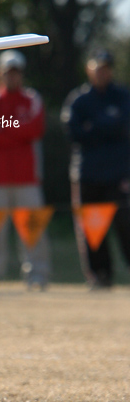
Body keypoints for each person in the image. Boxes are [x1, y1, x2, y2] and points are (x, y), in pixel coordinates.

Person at [0, 49, 50, 288]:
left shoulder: (33, 99)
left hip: (27, 176)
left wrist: (7, 132)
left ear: (22, 74)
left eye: (16, 72)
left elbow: (35, 129)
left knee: (32, 229)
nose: (12, 77)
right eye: (8, 72)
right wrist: (19, 134)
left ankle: (37, 274)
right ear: (0, 74)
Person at [61, 50, 130, 289]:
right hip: (87, 175)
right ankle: (100, 276)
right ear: (89, 69)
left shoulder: (123, 96)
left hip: (119, 175)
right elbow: (74, 133)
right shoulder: (78, 100)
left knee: (125, 225)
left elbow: (124, 128)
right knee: (92, 230)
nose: (102, 72)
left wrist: (94, 127)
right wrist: (108, 125)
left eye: (106, 67)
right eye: (97, 67)